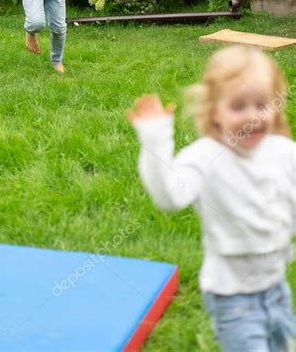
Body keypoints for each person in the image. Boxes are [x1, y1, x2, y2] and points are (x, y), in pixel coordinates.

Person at [126, 45, 295, 352]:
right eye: (239, 106)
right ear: (215, 110)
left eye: (262, 105)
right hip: (233, 298)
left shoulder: (282, 152)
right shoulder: (204, 157)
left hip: (277, 289)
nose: (252, 117)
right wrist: (155, 141)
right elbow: (169, 197)